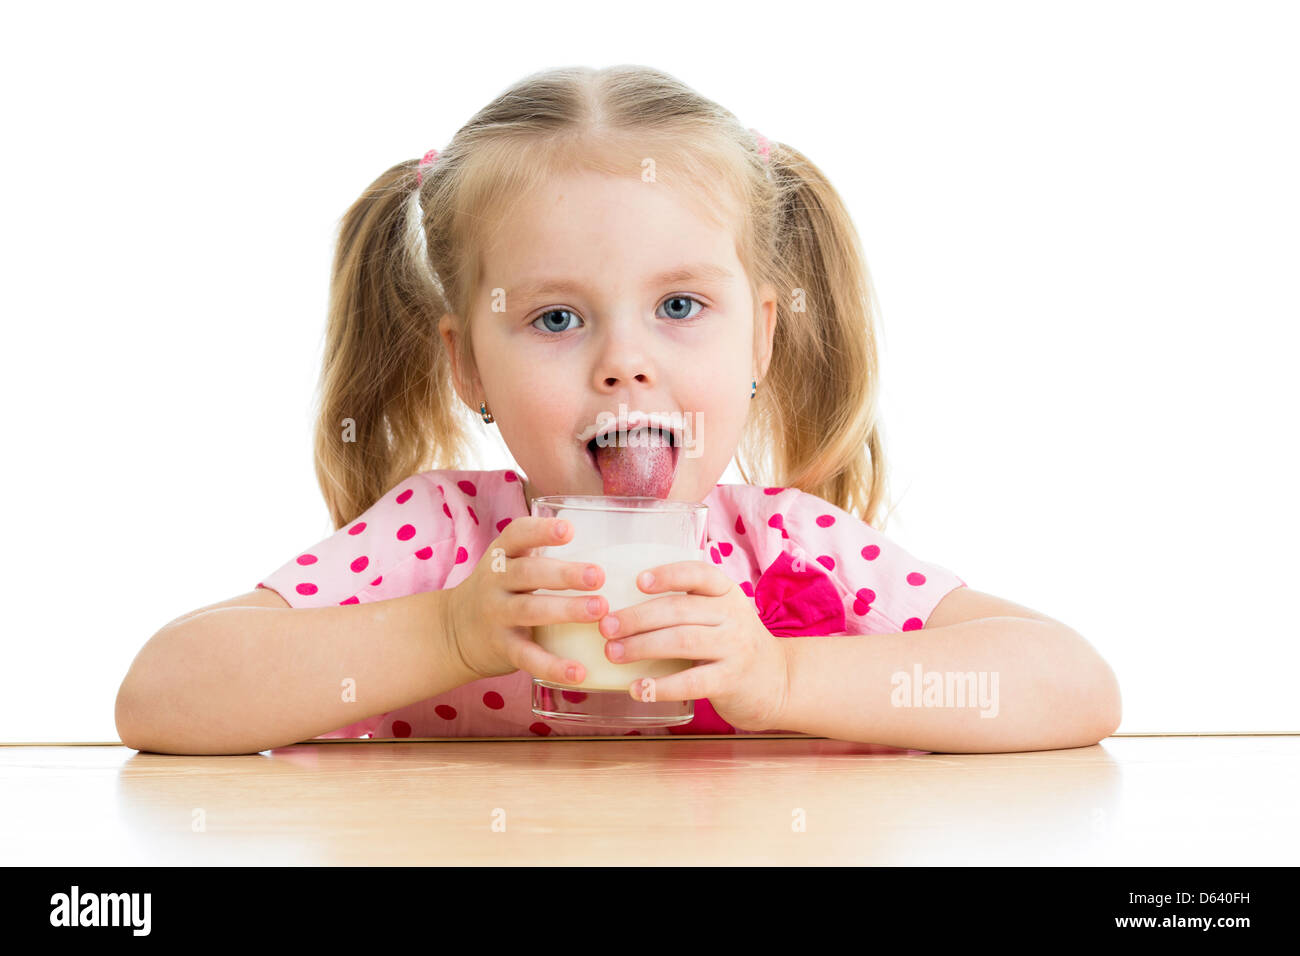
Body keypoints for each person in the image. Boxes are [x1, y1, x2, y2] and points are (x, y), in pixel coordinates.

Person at [116, 65, 1120, 754]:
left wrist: (780, 678)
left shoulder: (783, 547)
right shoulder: (445, 540)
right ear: (466, 364)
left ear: (759, 337)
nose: (624, 363)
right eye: (556, 316)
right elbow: (160, 693)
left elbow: (1071, 682)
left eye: (680, 306)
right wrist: (452, 635)